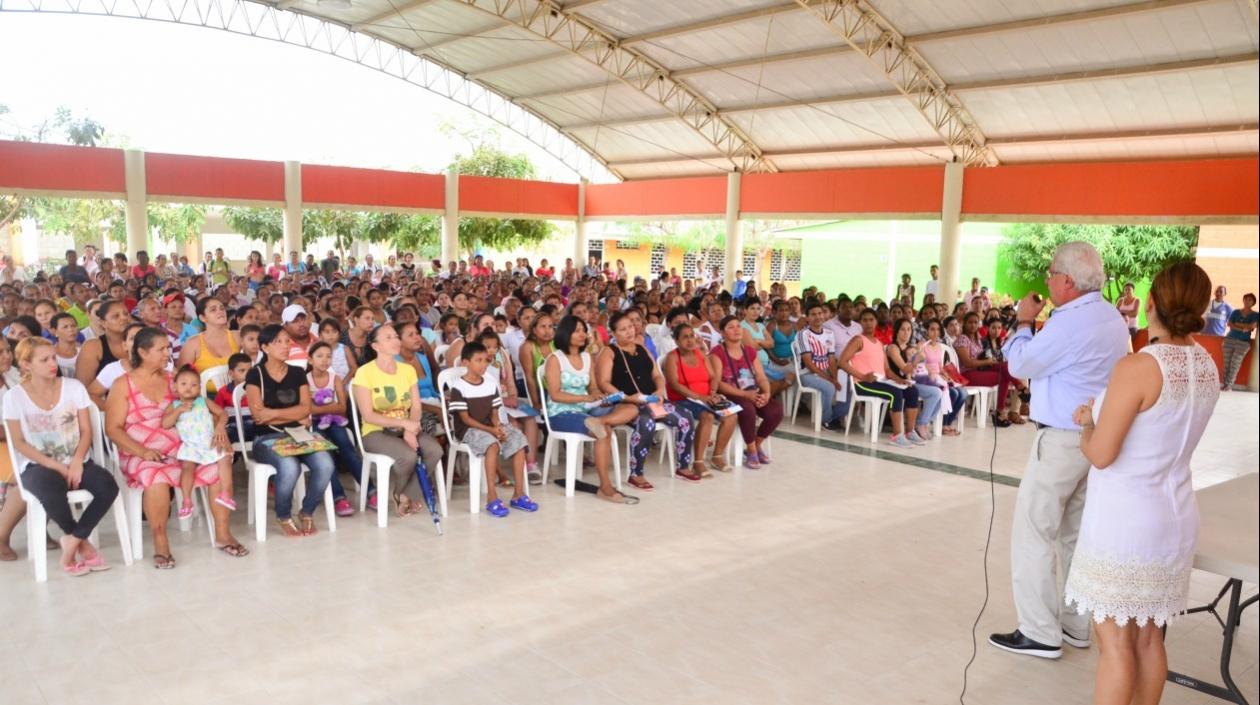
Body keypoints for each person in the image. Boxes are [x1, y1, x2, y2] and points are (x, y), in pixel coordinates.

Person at [1063, 262, 1220, 704]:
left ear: (1150, 302)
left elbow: (1101, 454)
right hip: (1175, 514)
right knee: (1150, 638)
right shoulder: (1205, 365)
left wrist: (1087, 423)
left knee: (1114, 642)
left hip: (1126, 521)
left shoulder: (1138, 366)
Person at [988, 241, 1129, 660]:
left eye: (1051, 273)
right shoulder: (1110, 318)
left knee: (1035, 531)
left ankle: (1038, 631)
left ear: (1067, 281)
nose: (1046, 279)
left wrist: (1023, 323)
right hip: (1093, 437)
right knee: (1074, 535)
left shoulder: (1068, 323)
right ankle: (1074, 624)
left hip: (1062, 440)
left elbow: (1020, 365)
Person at [105, 328, 246, 567]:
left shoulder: (174, 379)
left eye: (167, 348)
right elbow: (113, 428)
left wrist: (218, 434)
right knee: (156, 477)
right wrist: (143, 452)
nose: (166, 353)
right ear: (142, 351)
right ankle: (161, 543)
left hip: (183, 445)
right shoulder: (122, 385)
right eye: (160, 349)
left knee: (216, 466)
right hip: (141, 449)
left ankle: (223, 534)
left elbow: (202, 409)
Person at [3, 338, 118, 576]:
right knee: (51, 490)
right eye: (44, 360)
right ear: (26, 364)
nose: (52, 363)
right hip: (37, 464)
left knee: (108, 486)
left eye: (53, 357)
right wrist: (55, 465)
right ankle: (82, 543)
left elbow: (87, 431)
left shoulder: (73, 387)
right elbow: (19, 442)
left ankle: (72, 540)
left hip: (76, 459)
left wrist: (76, 461)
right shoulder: (14, 396)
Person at [245, 324, 336, 537]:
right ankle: (283, 515)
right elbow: (259, 415)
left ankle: (307, 511)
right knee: (289, 466)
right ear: (265, 347)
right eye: (279, 342)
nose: (286, 346)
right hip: (267, 436)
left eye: (287, 341)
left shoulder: (297, 372)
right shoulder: (255, 374)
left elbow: (306, 408)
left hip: (299, 434)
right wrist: (294, 414)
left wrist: (273, 413)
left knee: (325, 463)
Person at [596, 311, 698, 490]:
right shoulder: (609, 352)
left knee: (686, 417)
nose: (629, 331)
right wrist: (627, 397)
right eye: (622, 329)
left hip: (652, 400)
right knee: (646, 422)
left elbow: (657, 375)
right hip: (627, 403)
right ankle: (636, 474)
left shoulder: (641, 348)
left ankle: (683, 466)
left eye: (630, 327)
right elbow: (603, 383)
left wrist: (659, 390)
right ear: (613, 333)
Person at [544, 316, 641, 503]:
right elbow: (555, 394)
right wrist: (585, 397)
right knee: (603, 432)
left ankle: (601, 421)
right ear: (566, 333)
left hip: (587, 409)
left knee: (630, 407)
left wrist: (599, 397)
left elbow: (594, 388)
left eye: (583, 330)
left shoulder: (587, 357)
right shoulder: (555, 359)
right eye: (577, 331)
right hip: (561, 412)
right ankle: (605, 487)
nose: (582, 334)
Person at [352, 324, 443, 517]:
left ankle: (403, 494)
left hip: (405, 427)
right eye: (388, 338)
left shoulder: (406, 370)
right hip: (375, 431)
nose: (395, 341)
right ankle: (402, 495)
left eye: (395, 336)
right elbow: (368, 415)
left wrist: (410, 429)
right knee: (408, 456)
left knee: (435, 450)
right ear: (375, 346)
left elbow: (416, 407)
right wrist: (404, 425)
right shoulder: (365, 372)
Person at [448, 342, 538, 517]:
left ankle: (519, 494)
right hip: (468, 430)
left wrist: (497, 426)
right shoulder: (459, 387)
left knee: (518, 439)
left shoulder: (490, 384)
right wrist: (491, 431)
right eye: (478, 360)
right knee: (492, 445)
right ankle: (492, 496)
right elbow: (465, 419)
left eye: (486, 361)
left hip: (489, 426)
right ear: (465, 363)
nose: (483, 365)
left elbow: (494, 413)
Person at [663, 323, 738, 477]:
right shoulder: (672, 357)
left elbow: (713, 377)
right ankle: (698, 462)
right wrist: (700, 397)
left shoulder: (700, 354)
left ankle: (716, 457)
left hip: (706, 397)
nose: (690, 340)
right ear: (676, 341)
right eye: (685, 337)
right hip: (683, 399)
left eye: (691, 336)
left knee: (731, 415)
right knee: (707, 416)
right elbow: (674, 385)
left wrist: (712, 392)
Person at [838, 309, 920, 447]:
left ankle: (910, 432)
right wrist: (862, 376)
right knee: (896, 393)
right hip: (863, 383)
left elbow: (887, 370)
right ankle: (896, 436)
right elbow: (842, 362)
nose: (868, 323)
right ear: (860, 322)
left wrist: (900, 380)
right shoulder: (858, 340)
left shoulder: (879, 344)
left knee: (912, 391)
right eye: (865, 320)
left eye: (871, 320)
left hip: (880, 381)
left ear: (876, 322)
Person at [162, 366, 236, 518]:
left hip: (209, 441)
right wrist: (178, 411)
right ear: (175, 387)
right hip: (190, 446)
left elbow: (222, 413)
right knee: (187, 468)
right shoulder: (174, 406)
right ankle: (187, 500)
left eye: (194, 385)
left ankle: (226, 494)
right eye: (183, 384)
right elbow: (165, 424)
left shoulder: (204, 402)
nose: (188, 388)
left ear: (199, 388)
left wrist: (220, 426)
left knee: (226, 458)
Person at [713, 316, 782, 469]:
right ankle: (751, 449)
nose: (736, 329)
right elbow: (718, 383)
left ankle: (756, 445)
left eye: (738, 326)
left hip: (751, 391)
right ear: (723, 333)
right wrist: (746, 395)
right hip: (730, 393)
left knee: (775, 410)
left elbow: (761, 376)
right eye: (731, 327)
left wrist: (766, 393)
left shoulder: (749, 351)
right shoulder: (718, 352)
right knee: (747, 409)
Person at [307, 341, 360, 517]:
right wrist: (330, 407)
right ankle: (338, 497)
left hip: (335, 421)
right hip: (314, 423)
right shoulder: (305, 380)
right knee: (324, 452)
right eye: (319, 356)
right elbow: (308, 410)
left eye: (328, 356)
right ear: (310, 359)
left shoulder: (335, 378)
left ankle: (370, 490)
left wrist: (321, 409)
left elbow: (342, 408)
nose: (324, 360)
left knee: (346, 446)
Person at [954, 312, 1019, 427]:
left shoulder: (977, 339)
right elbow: (967, 363)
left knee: (1004, 368)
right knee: (1002, 374)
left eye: (975, 322)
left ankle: (1001, 410)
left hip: (978, 371)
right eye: (970, 322)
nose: (973, 325)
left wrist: (989, 361)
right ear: (964, 324)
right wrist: (987, 362)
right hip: (966, 374)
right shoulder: (962, 339)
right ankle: (1004, 406)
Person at [797, 301, 850, 431]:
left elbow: (831, 360)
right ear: (807, 317)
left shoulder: (829, 333)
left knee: (848, 385)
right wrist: (830, 379)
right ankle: (825, 420)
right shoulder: (803, 334)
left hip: (825, 372)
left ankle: (834, 416)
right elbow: (809, 363)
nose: (818, 317)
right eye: (813, 314)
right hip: (807, 374)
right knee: (829, 387)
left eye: (820, 313)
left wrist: (835, 377)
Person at [886, 319, 942, 441]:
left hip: (911, 382)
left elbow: (917, 370)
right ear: (896, 331)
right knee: (931, 392)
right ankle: (920, 424)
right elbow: (906, 369)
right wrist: (916, 359)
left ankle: (915, 428)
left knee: (939, 391)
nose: (906, 332)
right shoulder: (892, 348)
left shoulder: (911, 348)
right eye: (902, 329)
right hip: (895, 382)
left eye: (909, 329)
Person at [177, 298, 241, 396]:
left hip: (239, 393)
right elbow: (182, 377)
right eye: (213, 310)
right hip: (207, 398)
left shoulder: (238, 337)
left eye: (222, 308)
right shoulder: (193, 344)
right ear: (203, 318)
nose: (220, 312)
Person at [920, 320, 966, 436]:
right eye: (932, 329)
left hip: (938, 377)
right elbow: (922, 364)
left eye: (937, 330)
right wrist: (935, 374)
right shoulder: (923, 346)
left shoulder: (939, 347)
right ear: (927, 331)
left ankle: (947, 423)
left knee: (963, 393)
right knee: (953, 393)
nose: (935, 332)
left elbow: (940, 366)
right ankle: (940, 424)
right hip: (928, 378)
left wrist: (945, 375)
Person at [1222, 293, 1258, 391]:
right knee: (1226, 363)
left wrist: (1237, 324)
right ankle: (1224, 384)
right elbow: (1229, 324)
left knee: (1235, 364)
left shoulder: (1256, 315)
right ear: (1243, 300)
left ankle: (1229, 385)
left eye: (1250, 300)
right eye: (1246, 299)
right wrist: (1243, 328)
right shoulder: (1235, 312)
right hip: (1229, 339)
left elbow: (1252, 327)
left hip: (1243, 342)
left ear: (1253, 303)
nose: (1247, 301)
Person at [50, 312, 80, 378]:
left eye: (73, 326)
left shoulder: (84, 351)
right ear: (54, 331)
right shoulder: (50, 355)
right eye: (65, 327)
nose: (71, 330)